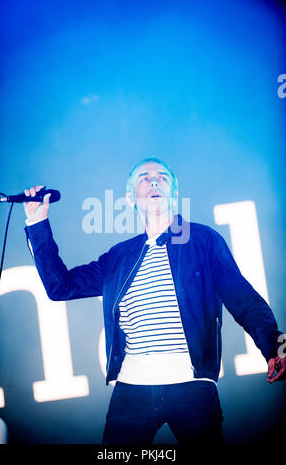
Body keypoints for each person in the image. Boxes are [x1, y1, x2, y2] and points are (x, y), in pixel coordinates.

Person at [23, 157, 285, 445]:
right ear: (130, 197)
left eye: (161, 176)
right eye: (143, 178)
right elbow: (61, 286)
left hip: (192, 385)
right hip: (132, 389)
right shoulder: (119, 257)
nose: (153, 181)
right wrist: (37, 220)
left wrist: (276, 345)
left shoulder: (202, 240)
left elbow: (243, 297)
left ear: (174, 191)